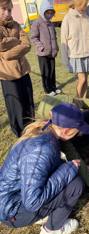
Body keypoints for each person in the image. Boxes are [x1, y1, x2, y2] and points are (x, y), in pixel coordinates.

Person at [0, 103, 89, 234]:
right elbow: (32, 202)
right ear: (66, 131)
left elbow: (59, 160)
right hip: (14, 213)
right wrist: (69, 169)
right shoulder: (42, 150)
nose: (79, 133)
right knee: (75, 185)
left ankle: (41, 216)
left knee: (72, 175)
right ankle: (50, 230)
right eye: (78, 130)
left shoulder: (47, 130)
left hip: (14, 199)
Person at [0, 0, 34, 137]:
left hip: (24, 70)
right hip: (8, 75)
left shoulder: (16, 25)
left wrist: (8, 54)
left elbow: (27, 44)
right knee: (16, 107)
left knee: (28, 102)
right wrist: (16, 41)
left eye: (10, 9)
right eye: (4, 9)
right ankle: (20, 134)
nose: (7, 13)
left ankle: (32, 128)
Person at [61, 0, 89, 98]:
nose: (85, 7)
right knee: (82, 79)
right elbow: (64, 39)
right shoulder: (68, 18)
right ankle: (77, 101)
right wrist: (65, 58)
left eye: (85, 5)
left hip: (87, 53)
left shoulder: (87, 17)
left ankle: (84, 100)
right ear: (77, 4)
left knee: (86, 79)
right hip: (75, 54)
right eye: (83, 5)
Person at [31, 0, 61, 96]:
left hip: (52, 52)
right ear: (43, 11)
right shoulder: (37, 23)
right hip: (43, 53)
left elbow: (54, 37)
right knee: (46, 72)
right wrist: (41, 47)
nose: (50, 15)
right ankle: (47, 90)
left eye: (51, 13)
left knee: (52, 71)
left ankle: (53, 87)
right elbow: (34, 37)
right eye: (48, 12)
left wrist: (56, 47)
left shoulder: (51, 24)